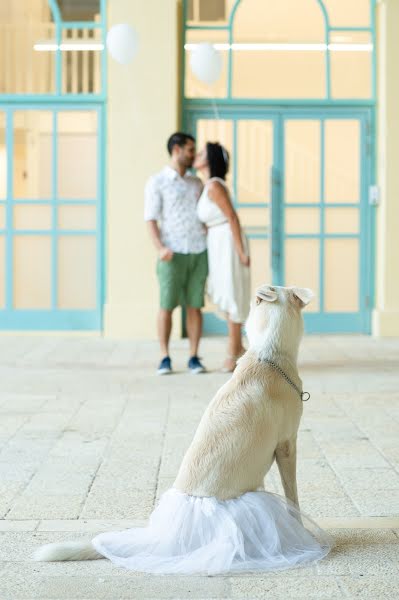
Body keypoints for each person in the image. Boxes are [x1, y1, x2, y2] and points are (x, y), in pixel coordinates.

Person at [144, 132, 208, 375]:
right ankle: (164, 356)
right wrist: (160, 248)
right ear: (177, 150)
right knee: (167, 305)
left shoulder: (196, 183)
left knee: (195, 306)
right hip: (171, 252)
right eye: (190, 150)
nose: (193, 154)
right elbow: (150, 219)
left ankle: (193, 356)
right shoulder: (157, 181)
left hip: (198, 250)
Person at [195, 142, 251, 372]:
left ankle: (233, 351)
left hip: (228, 242)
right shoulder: (207, 185)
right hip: (217, 242)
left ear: (209, 160)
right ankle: (237, 348)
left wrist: (241, 252)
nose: (197, 156)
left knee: (231, 292)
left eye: (201, 153)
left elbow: (232, 217)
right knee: (227, 293)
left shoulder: (215, 186)